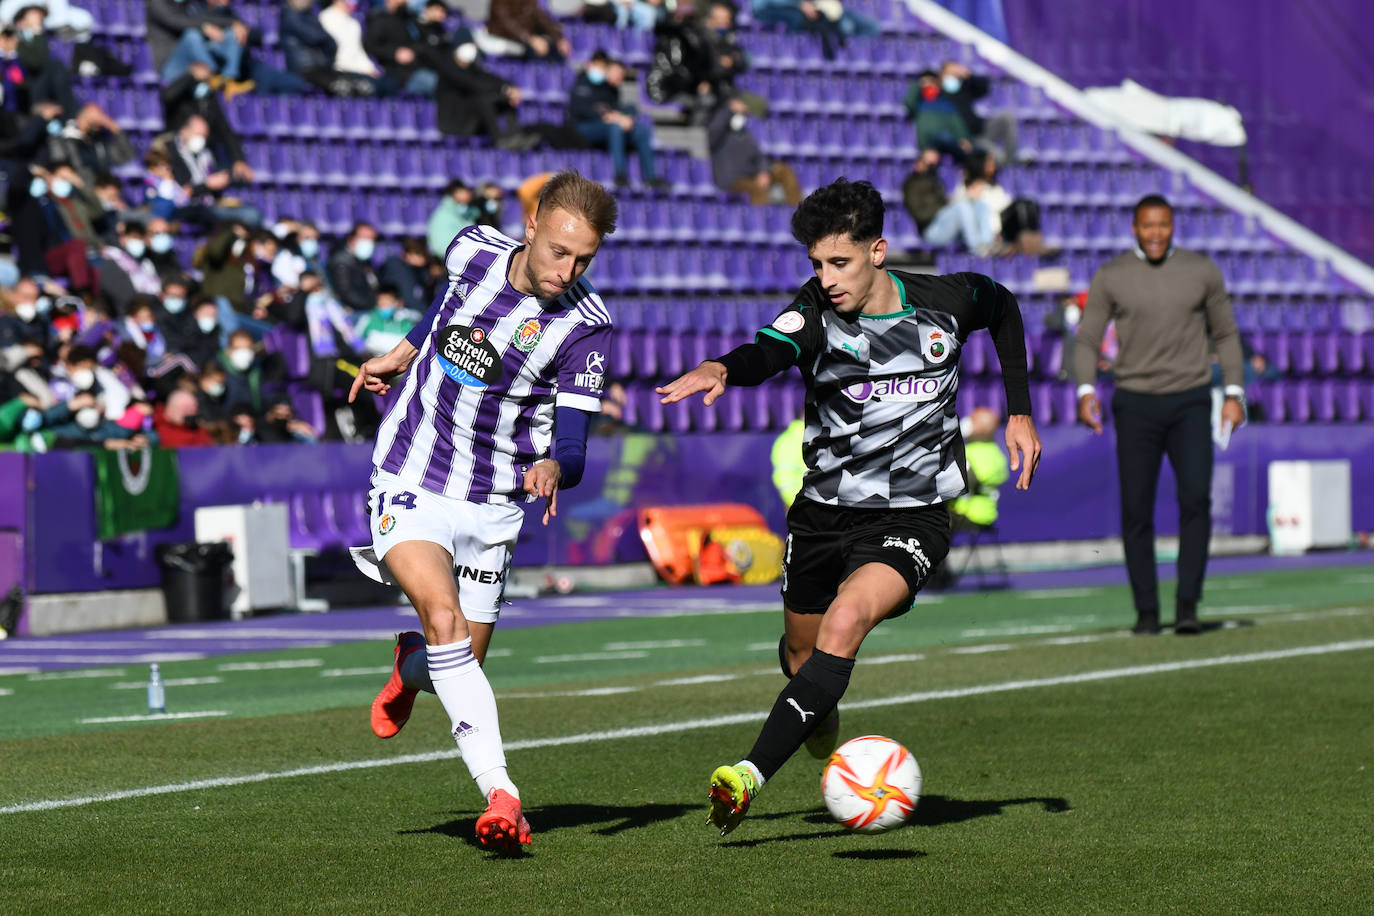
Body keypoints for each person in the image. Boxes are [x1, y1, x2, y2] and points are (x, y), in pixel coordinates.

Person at [656, 178, 1041, 835]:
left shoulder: (945, 301)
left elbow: (1002, 305)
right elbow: (769, 350)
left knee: (845, 623)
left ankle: (745, 777)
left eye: (840, 262)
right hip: (822, 516)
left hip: (913, 516)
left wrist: (1020, 410)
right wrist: (725, 366)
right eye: (817, 265)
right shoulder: (815, 313)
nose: (827, 278)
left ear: (879, 251)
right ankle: (812, 711)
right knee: (803, 658)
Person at [345, 169, 619, 853]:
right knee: (445, 622)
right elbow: (442, 310)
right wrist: (400, 354)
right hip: (411, 472)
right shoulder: (469, 249)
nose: (568, 268)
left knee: (454, 661)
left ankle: (410, 667)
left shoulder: (586, 327)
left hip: (496, 500)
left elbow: (576, 439)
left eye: (584, 257)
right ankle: (503, 796)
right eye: (559, 250)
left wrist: (559, 465)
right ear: (532, 226)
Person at [1074, 195, 1244, 636]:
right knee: (1137, 509)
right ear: (1134, 227)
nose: (1155, 234)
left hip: (1190, 399)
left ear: (1173, 226)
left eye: (1163, 226)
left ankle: (1187, 605)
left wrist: (1234, 392)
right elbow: (1088, 338)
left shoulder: (1201, 270)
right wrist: (1086, 389)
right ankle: (1146, 611)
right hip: (1135, 402)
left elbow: (1225, 333)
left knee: (1195, 500)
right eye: (1147, 226)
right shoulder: (1112, 275)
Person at [568, 53, 664, 189]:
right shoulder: (582, 83)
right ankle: (620, 174)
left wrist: (626, 117)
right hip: (583, 128)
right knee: (615, 127)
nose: (620, 78)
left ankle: (651, 177)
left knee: (642, 130)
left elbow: (619, 109)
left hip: (607, 125)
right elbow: (584, 110)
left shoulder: (611, 90)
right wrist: (612, 116)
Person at [707, 96, 801, 206]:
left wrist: (763, 171)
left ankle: (798, 210)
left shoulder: (745, 135)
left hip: (752, 175)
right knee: (757, 189)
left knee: (784, 171)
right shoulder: (718, 136)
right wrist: (729, 110)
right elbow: (714, 129)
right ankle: (762, 220)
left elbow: (759, 156)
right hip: (732, 180)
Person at [485, 0, 570, 62]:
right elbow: (507, 24)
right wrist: (530, 39)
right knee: (535, 52)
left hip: (527, 34)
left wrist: (558, 38)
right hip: (506, 37)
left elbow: (540, 16)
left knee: (555, 46)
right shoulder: (499, 2)